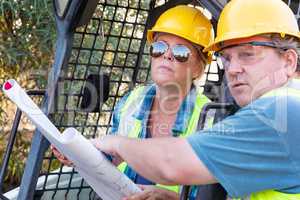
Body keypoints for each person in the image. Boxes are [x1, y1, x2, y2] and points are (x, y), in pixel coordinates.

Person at [91, 0, 300, 199]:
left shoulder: (281, 115)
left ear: (289, 61)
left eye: (248, 54)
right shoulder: (132, 101)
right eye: (226, 59)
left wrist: (116, 144)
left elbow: (170, 163)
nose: (234, 69)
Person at [52, 5, 220, 200]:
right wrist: (79, 155)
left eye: (181, 53)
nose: (166, 55)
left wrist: (172, 198)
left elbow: (214, 194)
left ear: (199, 68)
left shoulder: (210, 119)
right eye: (159, 47)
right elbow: (110, 158)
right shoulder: (131, 101)